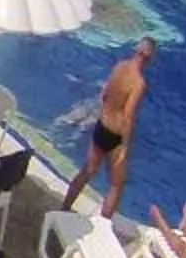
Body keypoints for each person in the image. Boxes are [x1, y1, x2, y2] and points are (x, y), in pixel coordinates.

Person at [62, 37, 157, 218]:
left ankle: (64, 207)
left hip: (102, 126)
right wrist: (124, 146)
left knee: (87, 171)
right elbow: (128, 116)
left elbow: (104, 94)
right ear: (149, 57)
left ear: (137, 49)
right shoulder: (138, 83)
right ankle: (104, 224)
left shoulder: (120, 66)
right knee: (116, 184)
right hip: (115, 135)